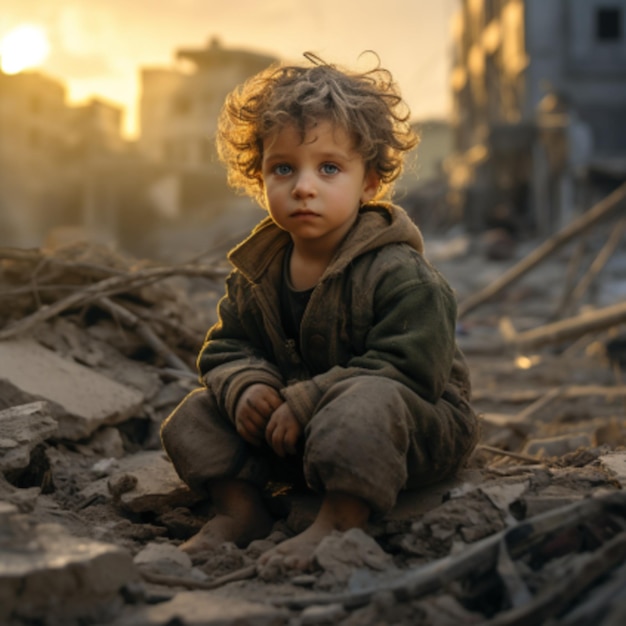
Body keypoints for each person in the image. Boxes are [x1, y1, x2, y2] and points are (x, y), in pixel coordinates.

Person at [161, 53, 479, 571]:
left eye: (329, 168)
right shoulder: (256, 272)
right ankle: (240, 511)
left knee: (365, 402)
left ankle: (340, 520)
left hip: (408, 432)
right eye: (282, 168)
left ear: (370, 182)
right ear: (258, 176)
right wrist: (248, 388)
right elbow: (225, 348)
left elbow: (412, 371)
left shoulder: (401, 273)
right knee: (195, 413)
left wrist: (307, 401)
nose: (303, 186)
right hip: (297, 433)